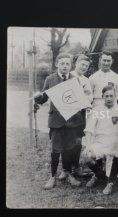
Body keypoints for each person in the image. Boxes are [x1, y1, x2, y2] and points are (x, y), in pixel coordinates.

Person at [34, 53, 83, 189]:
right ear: (57, 64)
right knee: (56, 149)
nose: (65, 66)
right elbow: (44, 98)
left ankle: (67, 173)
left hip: (71, 120)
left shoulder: (75, 79)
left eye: (67, 64)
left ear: (71, 66)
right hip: (56, 121)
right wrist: (38, 98)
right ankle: (52, 176)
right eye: (62, 63)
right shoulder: (50, 79)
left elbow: (78, 99)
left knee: (69, 148)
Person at [61, 54, 93, 178]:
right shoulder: (68, 76)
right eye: (82, 64)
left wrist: (83, 98)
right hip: (68, 113)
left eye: (86, 66)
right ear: (76, 64)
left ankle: (75, 166)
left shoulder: (86, 80)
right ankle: (65, 169)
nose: (84, 67)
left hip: (81, 113)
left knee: (78, 141)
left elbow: (89, 96)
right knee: (67, 142)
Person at [83, 86, 118, 187]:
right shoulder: (96, 110)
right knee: (87, 157)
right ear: (102, 97)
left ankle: (108, 176)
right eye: (106, 96)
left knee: (114, 178)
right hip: (100, 143)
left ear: (115, 96)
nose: (109, 98)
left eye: (111, 96)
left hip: (115, 145)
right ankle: (98, 175)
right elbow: (89, 130)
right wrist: (88, 146)